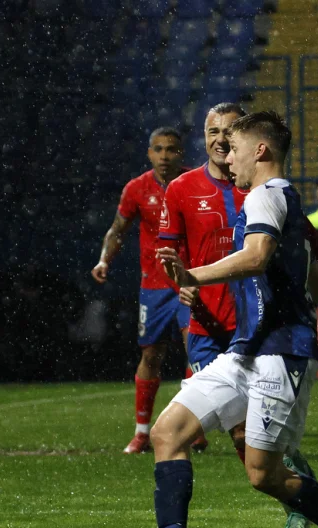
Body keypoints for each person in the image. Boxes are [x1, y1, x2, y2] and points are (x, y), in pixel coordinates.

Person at [123, 111, 318, 528]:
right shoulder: (281, 201)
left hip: (282, 352)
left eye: (234, 148)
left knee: (262, 474)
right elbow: (313, 277)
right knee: (168, 433)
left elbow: (256, 257)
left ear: (259, 151)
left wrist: (195, 274)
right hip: (245, 350)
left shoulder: (265, 196)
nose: (226, 156)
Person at [161, 102, 318, 528]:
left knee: (254, 445)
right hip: (206, 325)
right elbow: (171, 255)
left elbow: (285, 261)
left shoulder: (260, 190)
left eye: (229, 134)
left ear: (249, 143)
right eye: (213, 132)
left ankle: (302, 497)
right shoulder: (182, 189)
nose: (221, 143)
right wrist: (183, 283)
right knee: (218, 434)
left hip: (260, 327)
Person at [91, 127, 194, 455]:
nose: (165, 155)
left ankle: (196, 427)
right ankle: (141, 432)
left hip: (192, 281)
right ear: (149, 153)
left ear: (181, 154)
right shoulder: (136, 189)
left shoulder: (194, 184)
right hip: (153, 287)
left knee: (198, 355)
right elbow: (117, 230)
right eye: (159, 149)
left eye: (171, 150)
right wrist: (105, 260)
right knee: (151, 355)